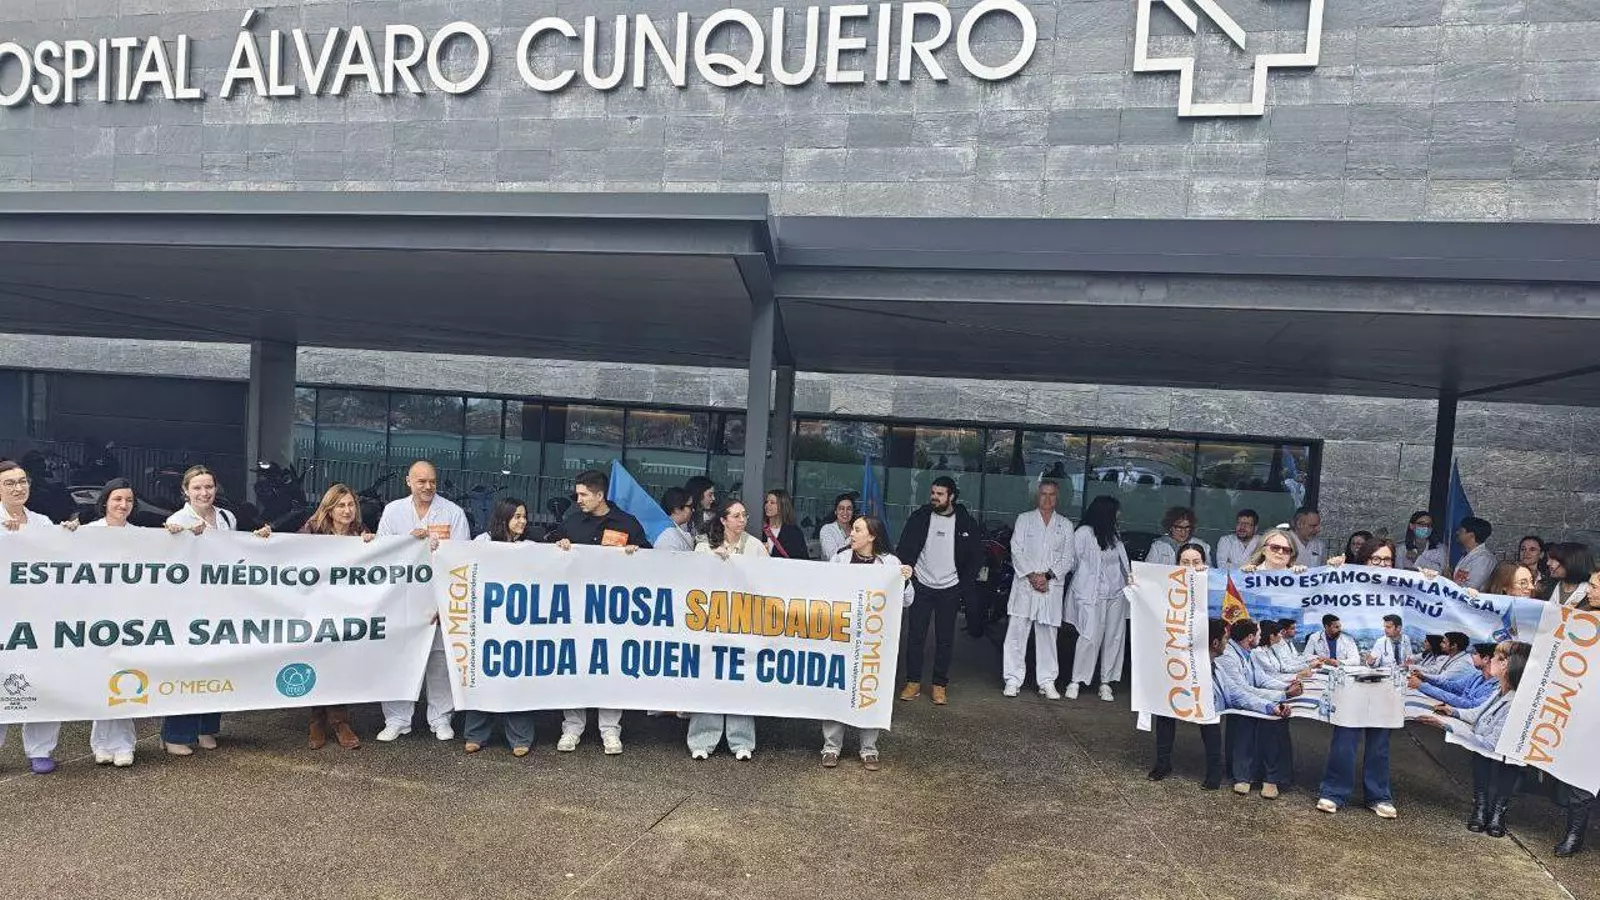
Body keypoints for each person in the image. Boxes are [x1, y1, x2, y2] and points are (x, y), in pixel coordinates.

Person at [161, 465, 270, 757]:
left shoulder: (226, 517)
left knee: (217, 666)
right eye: (197, 488)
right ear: (185, 491)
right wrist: (180, 535)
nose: (204, 492)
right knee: (189, 669)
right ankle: (175, 735)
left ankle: (205, 728)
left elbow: (235, 553)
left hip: (222, 603)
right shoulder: (177, 520)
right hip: (189, 606)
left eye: (208, 486)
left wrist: (258, 539)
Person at [549, 468, 650, 755]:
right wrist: (559, 546)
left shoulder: (627, 523)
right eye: (577, 494)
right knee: (574, 665)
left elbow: (652, 560)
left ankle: (610, 729)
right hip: (576, 609)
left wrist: (637, 552)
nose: (578, 499)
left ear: (600, 495)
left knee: (610, 667)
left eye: (583, 494)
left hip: (613, 611)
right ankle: (572, 727)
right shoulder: (571, 522)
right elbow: (549, 556)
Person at [375, 460, 470, 744]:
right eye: (421, 481)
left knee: (439, 661)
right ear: (408, 482)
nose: (428, 487)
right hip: (401, 599)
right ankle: (397, 719)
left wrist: (448, 603)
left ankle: (441, 719)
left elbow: (461, 558)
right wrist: (407, 541)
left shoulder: (453, 513)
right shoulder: (393, 511)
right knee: (398, 659)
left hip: (438, 598)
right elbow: (381, 552)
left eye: (432, 481)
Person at [822, 514, 913, 771]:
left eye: (857, 530)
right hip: (843, 636)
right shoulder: (839, 559)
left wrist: (905, 580)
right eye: (852, 529)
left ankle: (869, 748)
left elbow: (908, 600)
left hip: (874, 641)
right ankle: (831, 747)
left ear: (872, 536)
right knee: (837, 688)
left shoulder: (890, 563)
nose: (851, 533)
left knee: (871, 689)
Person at [1417, 641, 1532, 837]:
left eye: (1496, 657)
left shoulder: (1516, 701)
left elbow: (1489, 743)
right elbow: (1477, 713)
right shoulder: (1499, 691)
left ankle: (1497, 812)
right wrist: (1453, 712)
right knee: (1480, 759)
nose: (1491, 660)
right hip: (1485, 742)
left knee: (1506, 764)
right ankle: (1481, 807)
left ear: (1506, 665)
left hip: (1499, 750)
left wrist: (1446, 725)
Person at [0, 458, 67, 774]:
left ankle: (40, 750)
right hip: (4, 615)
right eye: (9, 483)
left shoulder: (42, 522)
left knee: (42, 681)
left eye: (22, 481)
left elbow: (62, 560)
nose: (18, 487)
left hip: (39, 616)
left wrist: (70, 534)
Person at [299, 483, 376, 752]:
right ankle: (318, 720)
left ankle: (338, 720)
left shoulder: (361, 532)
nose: (347, 510)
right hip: (316, 607)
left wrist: (373, 545)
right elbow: (287, 554)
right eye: (341, 505)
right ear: (329, 509)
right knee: (318, 660)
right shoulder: (311, 530)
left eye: (351, 505)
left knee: (340, 664)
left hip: (346, 610)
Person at [461, 497, 538, 757]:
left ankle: (520, 737)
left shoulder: (531, 547)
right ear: (503, 518)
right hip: (487, 621)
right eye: (517, 516)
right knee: (484, 674)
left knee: (516, 676)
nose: (522, 521)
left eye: (524, 516)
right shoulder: (482, 542)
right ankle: (476, 734)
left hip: (518, 623)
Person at [895, 476, 982, 706]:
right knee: (915, 636)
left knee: (945, 639)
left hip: (950, 588)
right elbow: (904, 547)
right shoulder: (919, 517)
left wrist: (964, 583)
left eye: (940, 494)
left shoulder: (966, 522)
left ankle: (939, 685)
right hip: (921, 585)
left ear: (951, 496)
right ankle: (913, 682)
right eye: (933, 493)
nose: (934, 497)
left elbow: (976, 556)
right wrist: (909, 573)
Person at [689, 498, 764, 760]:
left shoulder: (755, 547)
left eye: (744, 515)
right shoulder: (704, 546)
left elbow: (768, 580)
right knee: (709, 678)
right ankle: (702, 740)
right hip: (711, 622)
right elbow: (693, 580)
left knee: (740, 678)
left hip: (743, 622)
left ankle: (741, 741)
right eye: (736, 516)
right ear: (723, 520)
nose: (742, 520)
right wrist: (713, 560)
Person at [76, 478, 142, 767]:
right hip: (95, 616)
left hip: (129, 617)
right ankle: (101, 744)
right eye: (117, 499)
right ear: (105, 502)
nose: (123, 505)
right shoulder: (87, 533)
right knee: (101, 678)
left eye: (128, 500)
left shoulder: (141, 536)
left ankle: (124, 744)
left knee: (126, 676)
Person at [1001, 480, 1076, 699]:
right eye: (1044, 494)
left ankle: (1047, 681)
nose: (1047, 498)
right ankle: (1012, 679)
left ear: (1057, 498)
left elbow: (1068, 558)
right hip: (1026, 584)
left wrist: (1047, 576)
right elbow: (1016, 550)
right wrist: (1033, 576)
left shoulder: (1065, 525)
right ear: (1037, 495)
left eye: (1052, 495)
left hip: (1050, 587)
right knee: (1016, 633)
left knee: (1048, 636)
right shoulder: (1024, 519)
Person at [1216, 619, 1303, 799]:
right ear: (1250, 637)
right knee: (1254, 719)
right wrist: (1280, 697)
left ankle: (1272, 777)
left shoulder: (1249, 652)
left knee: (1278, 719)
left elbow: (1261, 678)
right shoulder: (1228, 656)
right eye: (1258, 634)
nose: (1261, 637)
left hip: (1250, 698)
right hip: (1237, 702)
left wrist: (1286, 687)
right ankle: (1243, 775)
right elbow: (1240, 692)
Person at [1064, 495, 1131, 702]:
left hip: (1116, 593)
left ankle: (1105, 682)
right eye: (1116, 511)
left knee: (1114, 637)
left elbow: (1122, 564)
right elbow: (1072, 562)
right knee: (1089, 636)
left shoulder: (1114, 535)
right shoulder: (1083, 533)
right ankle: (1076, 680)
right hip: (1091, 593)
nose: (1119, 514)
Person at [1149, 617, 1227, 789]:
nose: (1226, 643)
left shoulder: (1223, 662)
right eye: (1225, 639)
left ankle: (1215, 771)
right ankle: (1163, 763)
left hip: (1209, 696)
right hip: (1184, 684)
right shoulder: (1182, 659)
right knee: (1165, 712)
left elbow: (1237, 689)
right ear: (1215, 642)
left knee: (1209, 720)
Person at [1408, 643, 1498, 711]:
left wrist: (1423, 686)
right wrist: (1425, 678)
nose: (1472, 657)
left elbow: (1469, 705)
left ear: (1486, 659)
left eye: (1475, 654)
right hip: (1456, 711)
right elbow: (1452, 687)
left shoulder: (1496, 687)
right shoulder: (1477, 675)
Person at [1144, 506, 1210, 566]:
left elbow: (1209, 571)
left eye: (1187, 528)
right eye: (1179, 528)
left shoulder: (1202, 545)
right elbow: (1147, 569)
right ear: (1170, 527)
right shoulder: (1158, 546)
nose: (1183, 532)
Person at [760, 488, 810, 561]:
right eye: (766, 502)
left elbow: (802, 560)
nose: (767, 505)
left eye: (772, 503)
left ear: (782, 506)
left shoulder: (794, 533)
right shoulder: (760, 529)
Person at [1451, 516, 1496, 590]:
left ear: (1471, 535)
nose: (1457, 532)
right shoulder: (1468, 554)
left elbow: (1471, 588)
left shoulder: (1484, 559)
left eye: (1461, 531)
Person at [654, 486, 695, 552]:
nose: (693, 510)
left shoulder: (674, 529)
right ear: (677, 509)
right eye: (690, 506)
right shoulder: (668, 536)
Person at [817, 493, 856, 560]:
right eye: (841, 508)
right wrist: (850, 541)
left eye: (849, 509)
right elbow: (831, 556)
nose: (845, 512)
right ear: (835, 511)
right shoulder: (827, 529)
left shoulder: (856, 530)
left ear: (853, 512)